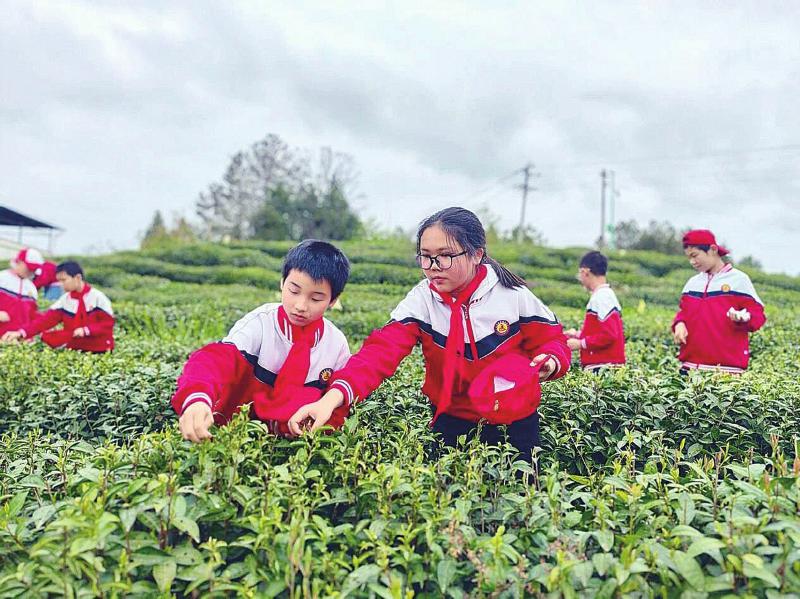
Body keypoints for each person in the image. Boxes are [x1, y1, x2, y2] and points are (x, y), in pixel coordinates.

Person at [288, 207, 570, 460]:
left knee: (520, 493)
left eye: (445, 256)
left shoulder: (512, 295)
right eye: (425, 257)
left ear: (476, 254)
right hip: (450, 419)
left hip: (515, 418)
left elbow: (552, 339)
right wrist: (329, 400)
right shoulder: (422, 300)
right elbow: (378, 354)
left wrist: (550, 360)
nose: (433, 267)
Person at [172, 240, 352, 443]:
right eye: (294, 291)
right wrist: (197, 397)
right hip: (235, 437)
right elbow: (218, 360)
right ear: (282, 283)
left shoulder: (335, 343)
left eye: (316, 299)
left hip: (295, 444)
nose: (301, 306)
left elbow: (339, 403)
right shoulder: (260, 323)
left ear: (333, 300)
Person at [672, 229, 765, 374]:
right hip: (690, 368)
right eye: (689, 257)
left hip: (726, 371)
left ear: (713, 249)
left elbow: (758, 316)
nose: (692, 262)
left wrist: (744, 318)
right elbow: (683, 313)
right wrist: (679, 324)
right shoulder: (692, 283)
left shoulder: (739, 280)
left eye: (695, 256)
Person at [1, 261, 115, 352]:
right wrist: (21, 332)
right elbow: (44, 321)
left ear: (78, 278)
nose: (61, 284)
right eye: (59, 281)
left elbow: (107, 324)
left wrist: (87, 330)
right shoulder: (64, 301)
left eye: (64, 280)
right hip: (74, 350)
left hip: (99, 350)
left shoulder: (98, 298)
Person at [564, 251, 625, 371]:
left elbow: (609, 334)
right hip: (604, 365)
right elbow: (600, 331)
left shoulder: (602, 297)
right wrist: (578, 335)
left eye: (580, 273)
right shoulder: (604, 295)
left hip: (603, 366)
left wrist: (580, 344)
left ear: (585, 272)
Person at [0, 248, 40, 336]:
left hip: (18, 340)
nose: (31, 271)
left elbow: (32, 316)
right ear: (18, 262)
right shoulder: (2, 279)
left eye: (34, 269)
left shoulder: (32, 288)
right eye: (29, 268)